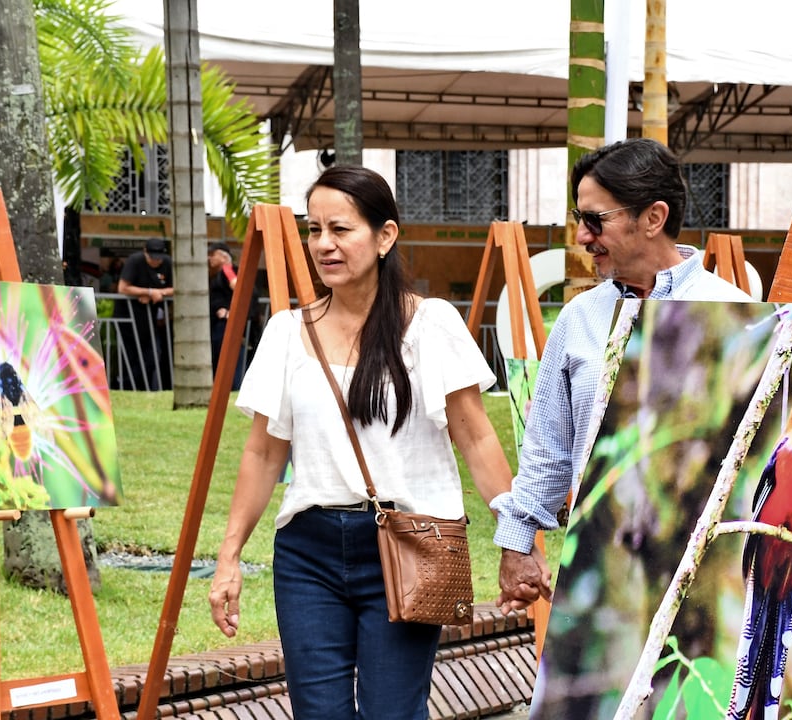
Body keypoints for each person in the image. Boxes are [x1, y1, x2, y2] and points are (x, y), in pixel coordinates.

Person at [207, 165, 520, 719]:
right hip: (309, 550)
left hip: (408, 545)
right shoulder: (287, 332)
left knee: (391, 714)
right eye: (314, 229)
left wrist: (516, 540)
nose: (323, 244)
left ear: (385, 236)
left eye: (340, 230)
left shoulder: (431, 326)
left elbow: (475, 436)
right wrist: (229, 555)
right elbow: (262, 452)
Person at [490, 138, 754, 611]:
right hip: (610, 574)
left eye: (596, 221)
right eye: (579, 220)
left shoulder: (736, 312)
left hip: (717, 572)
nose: (582, 238)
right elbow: (548, 444)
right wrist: (516, 541)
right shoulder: (580, 318)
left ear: (653, 218)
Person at [117, 237, 174, 390]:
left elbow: (176, 288)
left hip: (151, 319)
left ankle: (144, 387)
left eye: (158, 259)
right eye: (152, 258)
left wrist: (157, 293)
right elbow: (123, 288)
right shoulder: (135, 261)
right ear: (145, 252)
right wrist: (147, 292)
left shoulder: (168, 263)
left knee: (153, 355)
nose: (156, 262)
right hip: (129, 316)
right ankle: (129, 387)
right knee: (131, 356)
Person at [208, 241, 244, 390]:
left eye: (212, 255)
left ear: (223, 257)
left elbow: (237, 286)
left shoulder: (227, 269)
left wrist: (231, 311)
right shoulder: (216, 275)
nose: (209, 259)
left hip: (225, 324)